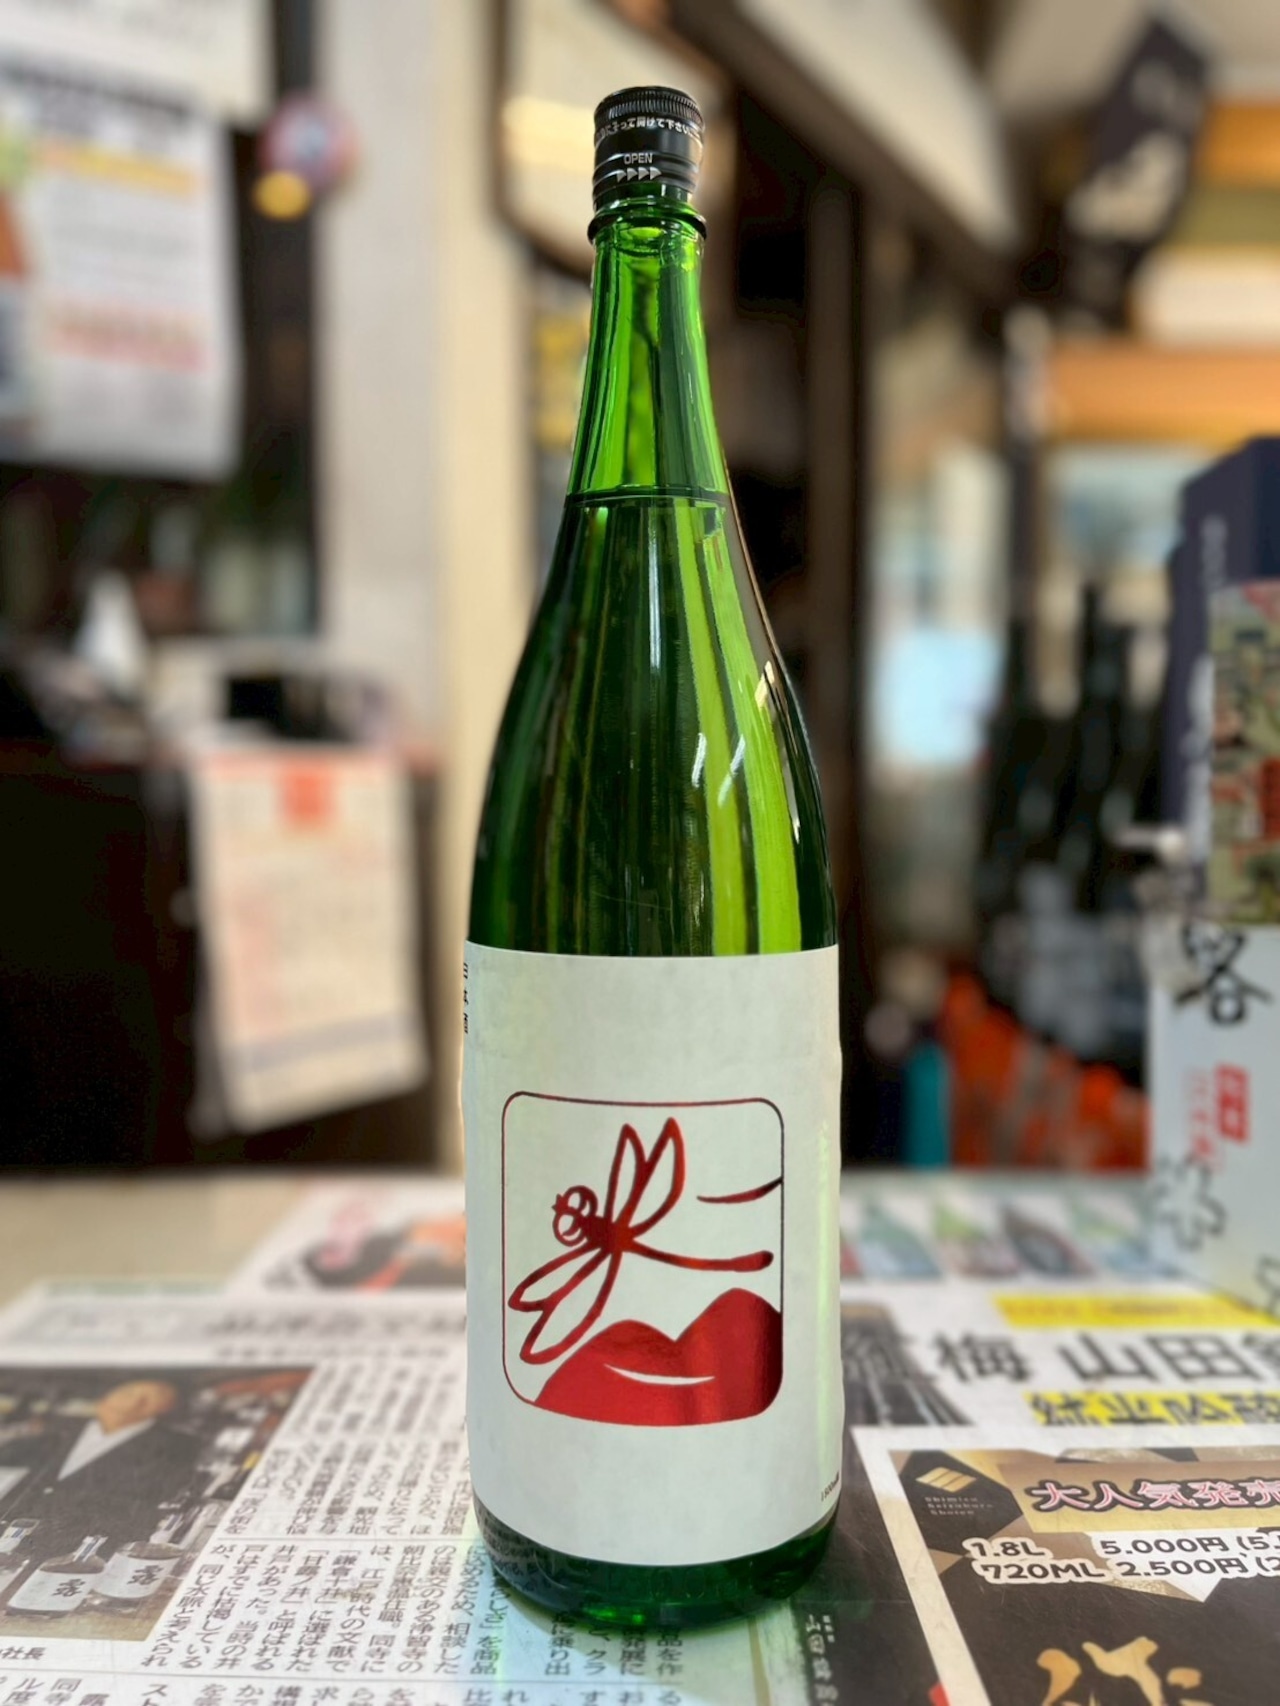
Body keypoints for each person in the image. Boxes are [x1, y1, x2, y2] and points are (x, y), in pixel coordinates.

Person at [0, 1379, 203, 1563]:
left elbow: (148, 1501)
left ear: (166, 1409)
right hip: (12, 1529)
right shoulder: (59, 1427)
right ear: (107, 1397)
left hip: (80, 1549)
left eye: (152, 1399)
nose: (137, 1402)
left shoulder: (177, 1445)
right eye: (128, 1393)